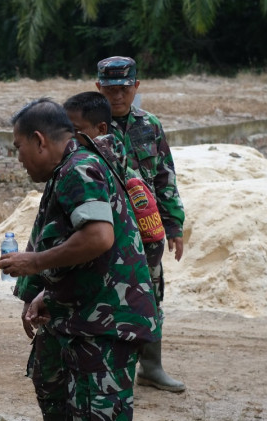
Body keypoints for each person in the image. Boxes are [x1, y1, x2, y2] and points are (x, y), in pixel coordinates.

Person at [0, 99, 160, 421]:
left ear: (40, 140)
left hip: (108, 324)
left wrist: (33, 263)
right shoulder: (73, 168)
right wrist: (47, 295)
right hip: (90, 317)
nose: (20, 159)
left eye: (18, 149)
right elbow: (89, 259)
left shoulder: (79, 169)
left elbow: (98, 238)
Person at [96, 56, 187, 393]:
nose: (116, 96)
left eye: (123, 88)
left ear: (136, 87)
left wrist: (174, 226)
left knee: (149, 298)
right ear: (98, 87)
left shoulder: (149, 125)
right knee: (103, 298)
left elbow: (165, 178)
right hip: (103, 230)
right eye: (109, 88)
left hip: (145, 232)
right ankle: (108, 369)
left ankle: (151, 368)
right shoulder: (89, 125)